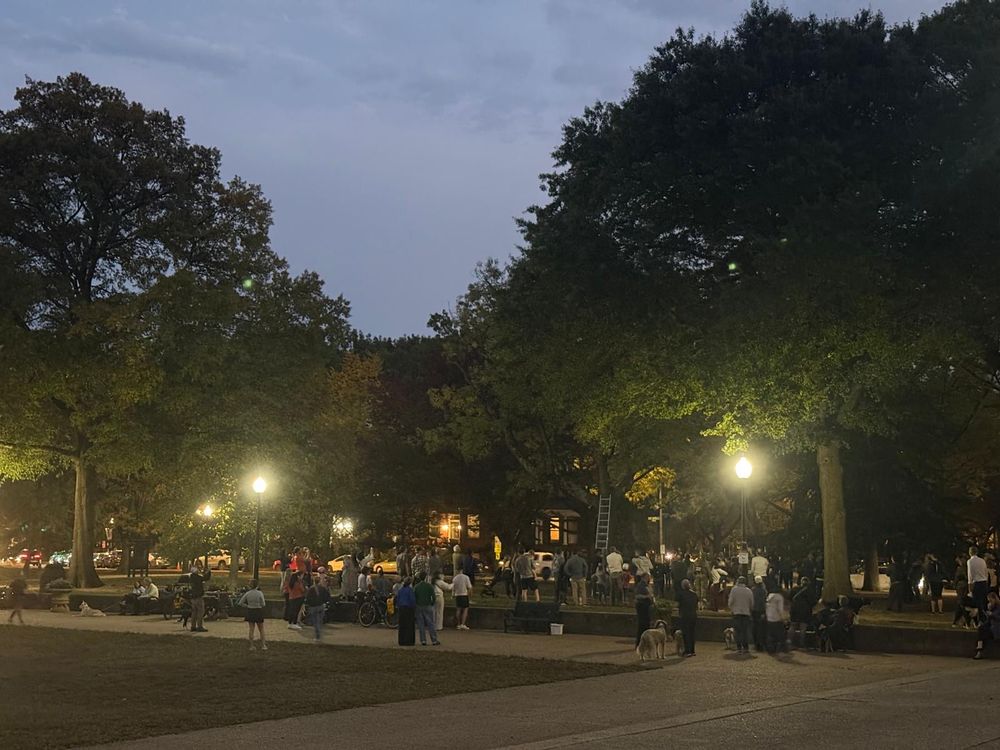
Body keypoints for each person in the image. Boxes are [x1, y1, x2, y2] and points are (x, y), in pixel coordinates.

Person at [237, 579, 267, 651]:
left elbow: (240, 603)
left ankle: (251, 645)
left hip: (250, 611)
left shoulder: (248, 593)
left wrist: (247, 606)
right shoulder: (260, 593)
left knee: (251, 629)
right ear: (257, 585)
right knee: (261, 629)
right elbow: (263, 604)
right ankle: (263, 645)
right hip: (258, 610)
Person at [728, 576, 754, 653]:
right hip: (746, 613)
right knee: (745, 631)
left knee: (738, 631)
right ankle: (746, 647)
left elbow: (730, 602)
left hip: (736, 613)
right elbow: (752, 603)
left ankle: (739, 647)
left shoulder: (734, 590)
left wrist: (732, 609)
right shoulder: (749, 591)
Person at [413, 575, 440, 646]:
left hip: (419, 606)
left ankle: (423, 640)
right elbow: (433, 596)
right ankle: (434, 640)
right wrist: (432, 603)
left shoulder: (416, 587)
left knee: (421, 624)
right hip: (428, 605)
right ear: (426, 578)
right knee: (430, 623)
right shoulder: (429, 586)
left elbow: (414, 596)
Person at [789, 577, 816, 647]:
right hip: (805, 611)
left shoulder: (795, 589)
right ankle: (801, 644)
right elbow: (813, 602)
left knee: (792, 626)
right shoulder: (810, 591)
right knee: (803, 628)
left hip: (794, 610)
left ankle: (790, 643)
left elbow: (789, 598)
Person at [973, 591, 1000, 659]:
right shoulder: (991, 608)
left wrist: (992, 615)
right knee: (981, 631)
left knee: (983, 634)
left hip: (997, 628)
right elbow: (989, 621)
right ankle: (979, 650)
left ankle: (979, 651)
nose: (990, 603)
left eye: (991, 601)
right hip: (991, 627)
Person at [305, 574, 330, 641]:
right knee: (319, 621)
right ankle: (319, 633)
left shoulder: (311, 589)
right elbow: (327, 597)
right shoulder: (323, 588)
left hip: (313, 607)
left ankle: (317, 635)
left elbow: (308, 598)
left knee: (315, 622)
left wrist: (309, 604)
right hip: (321, 606)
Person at [677, 579, 698, 656]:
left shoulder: (681, 594)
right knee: (692, 633)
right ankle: (692, 650)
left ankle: (687, 650)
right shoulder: (694, 594)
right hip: (693, 615)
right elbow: (696, 604)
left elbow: (679, 604)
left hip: (685, 616)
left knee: (686, 633)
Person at [188, 562, 211, 632]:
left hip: (193, 597)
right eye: (198, 569)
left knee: (194, 612)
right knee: (200, 611)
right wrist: (209, 571)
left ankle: (193, 626)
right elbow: (205, 578)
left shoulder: (191, 577)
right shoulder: (197, 577)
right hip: (198, 597)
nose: (199, 570)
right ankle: (200, 626)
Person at [969, 546, 990, 620]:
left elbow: (970, 574)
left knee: (976, 603)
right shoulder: (982, 561)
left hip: (976, 583)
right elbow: (985, 572)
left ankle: (979, 619)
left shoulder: (970, 561)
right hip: (983, 582)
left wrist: (970, 586)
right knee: (983, 601)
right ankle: (984, 618)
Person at [634, 572, 654, 647]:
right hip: (642, 607)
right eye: (648, 577)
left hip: (647, 607)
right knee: (642, 625)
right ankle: (639, 643)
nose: (649, 579)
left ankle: (645, 642)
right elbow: (637, 596)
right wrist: (646, 597)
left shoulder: (647, 585)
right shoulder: (641, 585)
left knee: (646, 625)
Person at [396, 577, 416, 646]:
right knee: (409, 625)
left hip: (401, 608)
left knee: (402, 625)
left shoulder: (400, 590)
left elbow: (398, 599)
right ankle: (409, 640)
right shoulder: (410, 590)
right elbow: (412, 600)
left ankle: (401, 640)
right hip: (408, 608)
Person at [751, 575, 767, 651]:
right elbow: (764, 601)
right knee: (761, 627)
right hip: (761, 610)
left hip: (754, 610)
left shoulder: (753, 590)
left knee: (755, 627)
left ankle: (756, 643)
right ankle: (761, 643)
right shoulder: (764, 590)